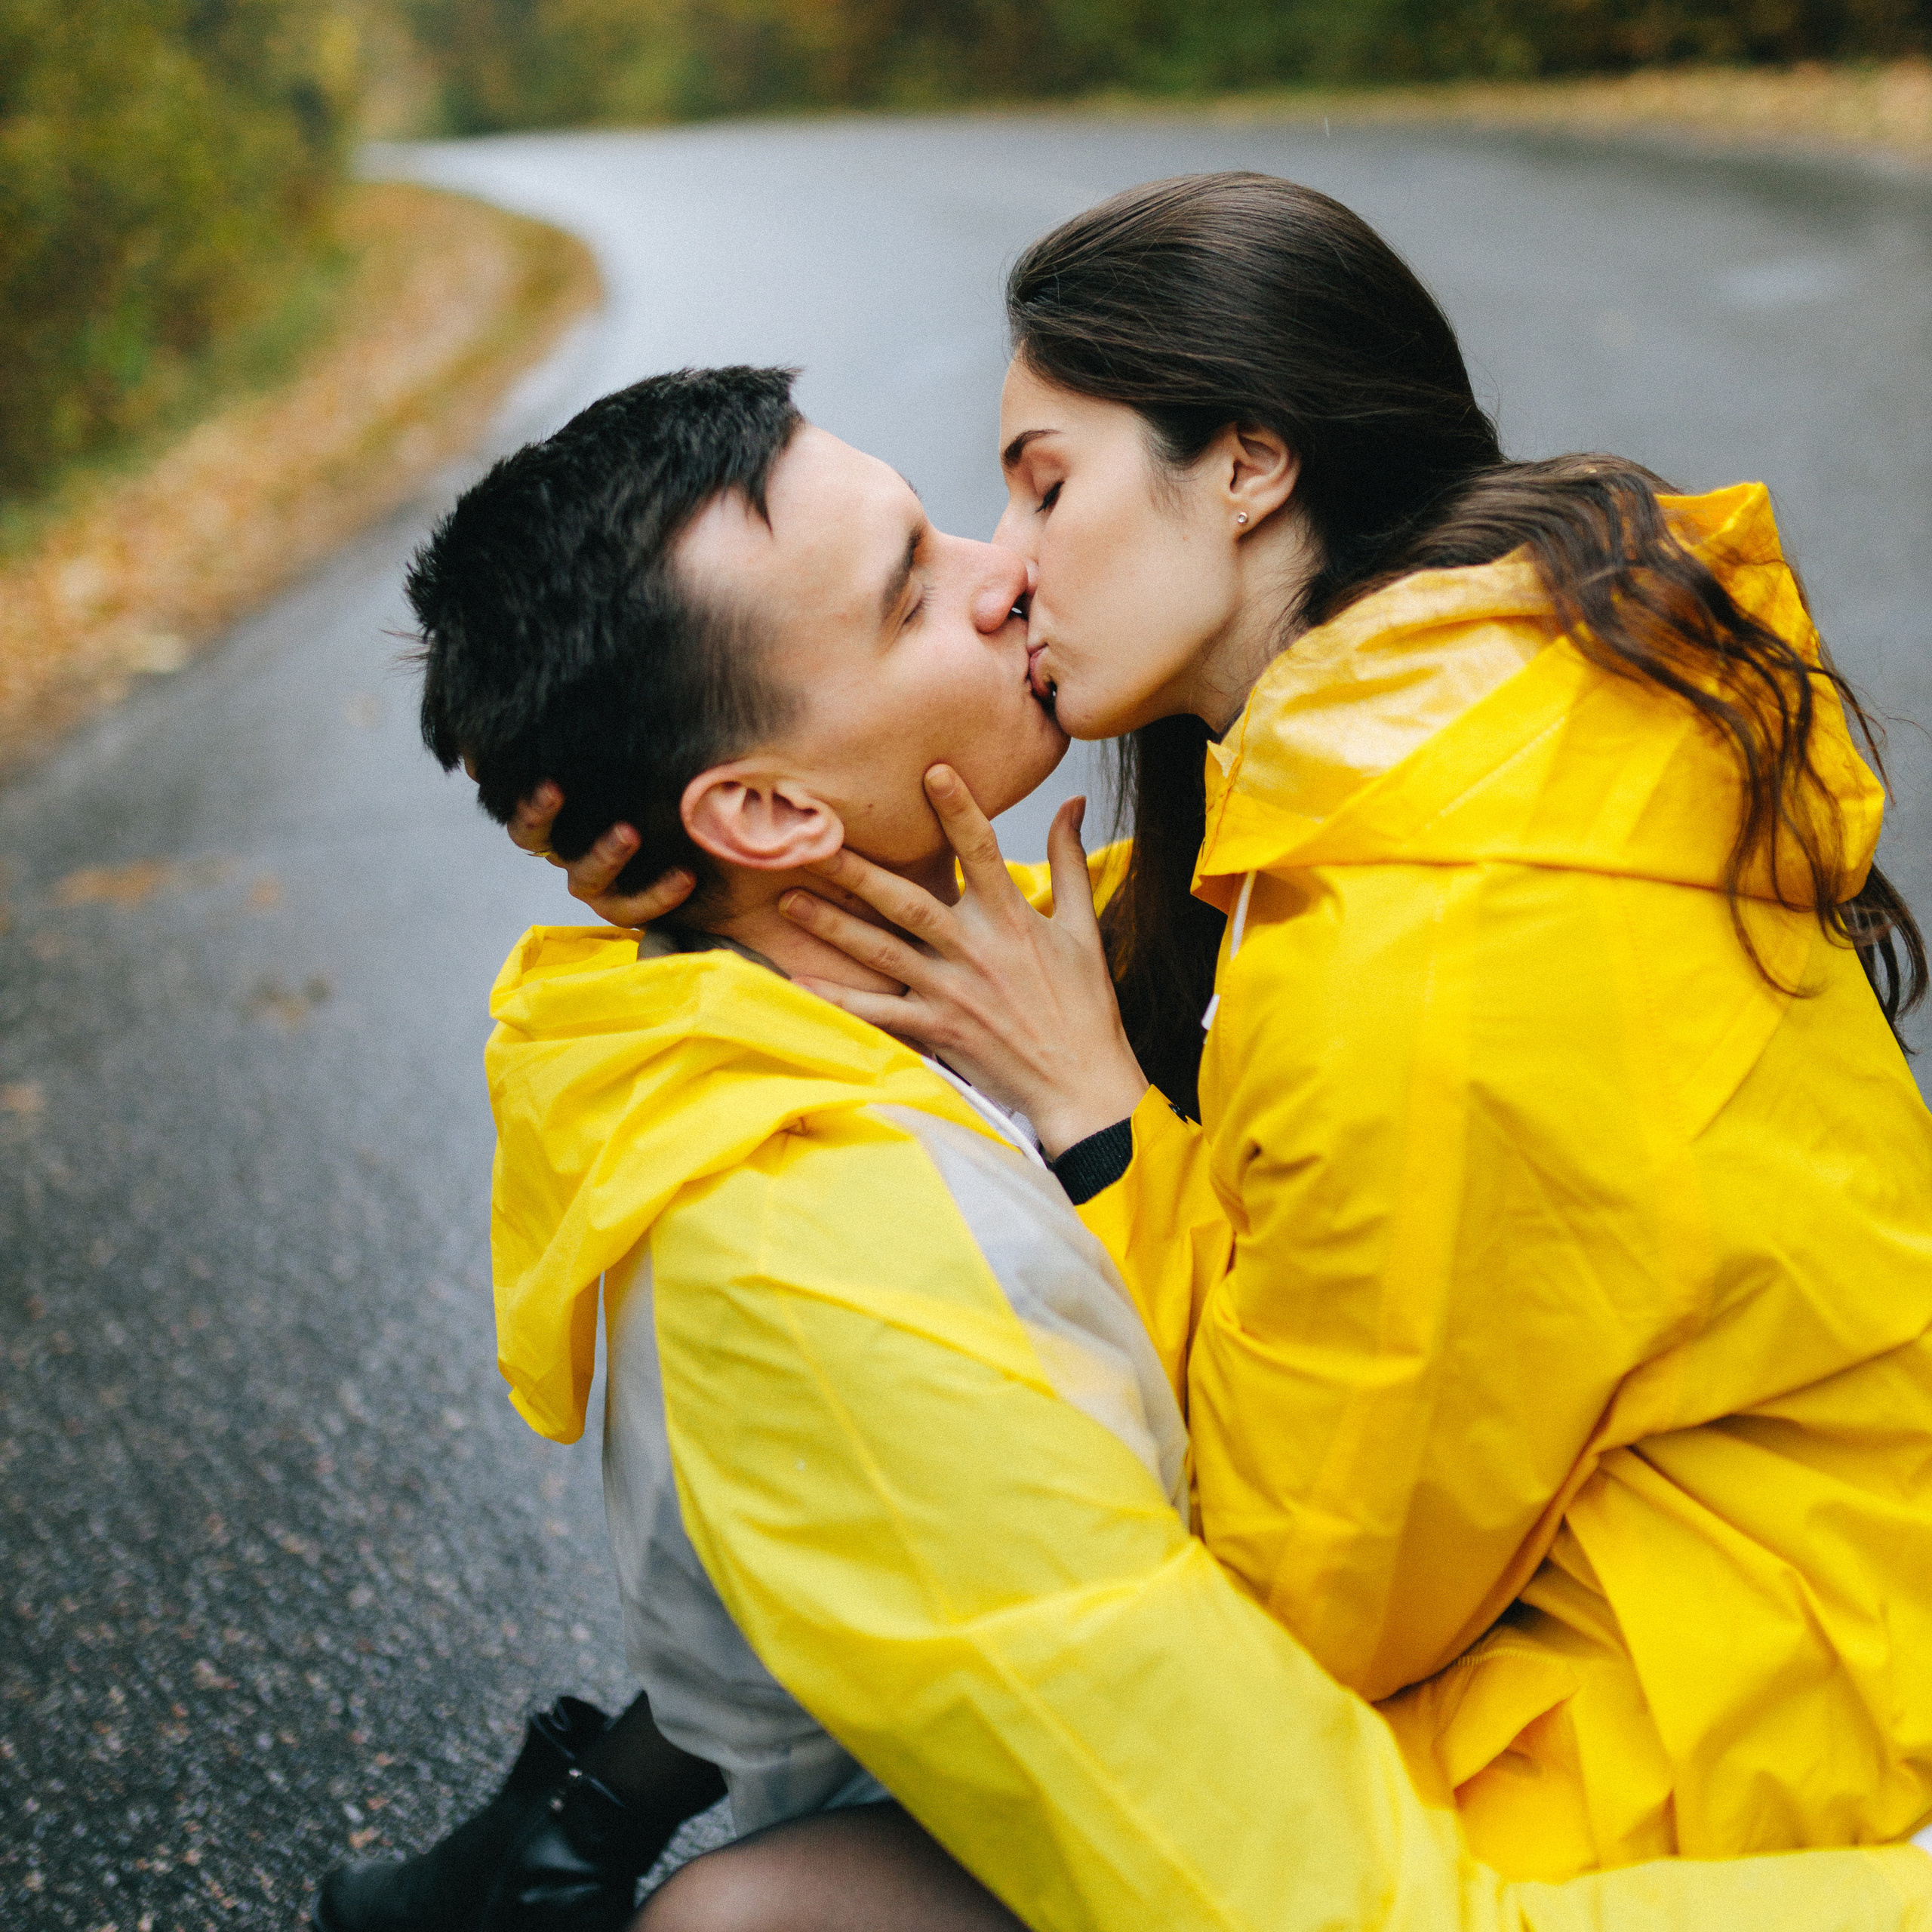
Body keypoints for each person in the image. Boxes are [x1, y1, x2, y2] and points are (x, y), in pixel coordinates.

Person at [534, 174, 1932, 1884]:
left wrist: (1099, 1121)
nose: (1008, 567)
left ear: (1250, 466)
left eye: (1045, 486)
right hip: (1738, 1598)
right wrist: (697, 853)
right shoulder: (1461, 730)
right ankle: (592, 1807)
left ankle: (598, 1821)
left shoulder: (1428, 938)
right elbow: (1144, 957)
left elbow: (1293, 1592)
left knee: (777, 1895)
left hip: (1722, 1710)